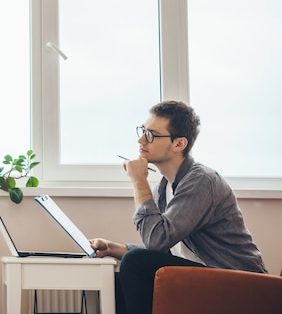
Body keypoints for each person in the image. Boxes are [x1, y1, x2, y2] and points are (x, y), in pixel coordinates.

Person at [90, 100, 267, 314]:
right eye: (143, 131)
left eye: (151, 134)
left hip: (243, 286)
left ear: (179, 144)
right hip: (210, 279)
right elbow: (163, 246)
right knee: (120, 280)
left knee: (136, 263)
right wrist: (112, 248)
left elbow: (156, 240)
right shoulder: (165, 187)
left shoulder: (201, 181)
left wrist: (138, 180)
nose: (141, 139)